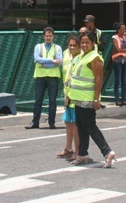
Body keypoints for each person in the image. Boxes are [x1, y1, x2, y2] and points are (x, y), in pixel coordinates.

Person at [68, 32, 116, 168]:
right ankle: (83, 154)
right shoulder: (83, 56)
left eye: (87, 42)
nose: (83, 45)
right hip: (78, 98)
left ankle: (107, 152)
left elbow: (99, 78)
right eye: (82, 42)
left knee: (90, 126)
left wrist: (96, 99)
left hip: (87, 99)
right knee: (81, 126)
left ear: (93, 43)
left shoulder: (95, 57)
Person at [26, 27, 62, 130]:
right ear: (43, 36)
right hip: (40, 76)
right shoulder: (38, 46)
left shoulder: (57, 48)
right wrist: (52, 62)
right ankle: (35, 122)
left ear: (53, 36)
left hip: (53, 77)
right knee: (38, 100)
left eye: (50, 36)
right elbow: (37, 59)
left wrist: (44, 63)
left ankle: (51, 123)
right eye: (46, 36)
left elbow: (59, 61)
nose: (48, 37)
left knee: (52, 101)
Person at [56, 33, 81, 161]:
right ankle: (68, 148)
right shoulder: (65, 53)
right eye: (70, 45)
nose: (71, 47)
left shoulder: (81, 56)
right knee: (68, 122)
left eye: (74, 45)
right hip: (67, 93)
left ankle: (78, 151)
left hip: (77, 94)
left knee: (75, 123)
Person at [111, 22, 126, 106]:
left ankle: (123, 99)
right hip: (117, 60)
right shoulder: (114, 37)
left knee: (125, 80)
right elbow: (118, 49)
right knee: (118, 80)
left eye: (125, 29)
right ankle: (117, 99)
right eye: (123, 29)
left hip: (125, 60)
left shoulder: (125, 37)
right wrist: (125, 50)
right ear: (118, 30)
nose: (124, 30)